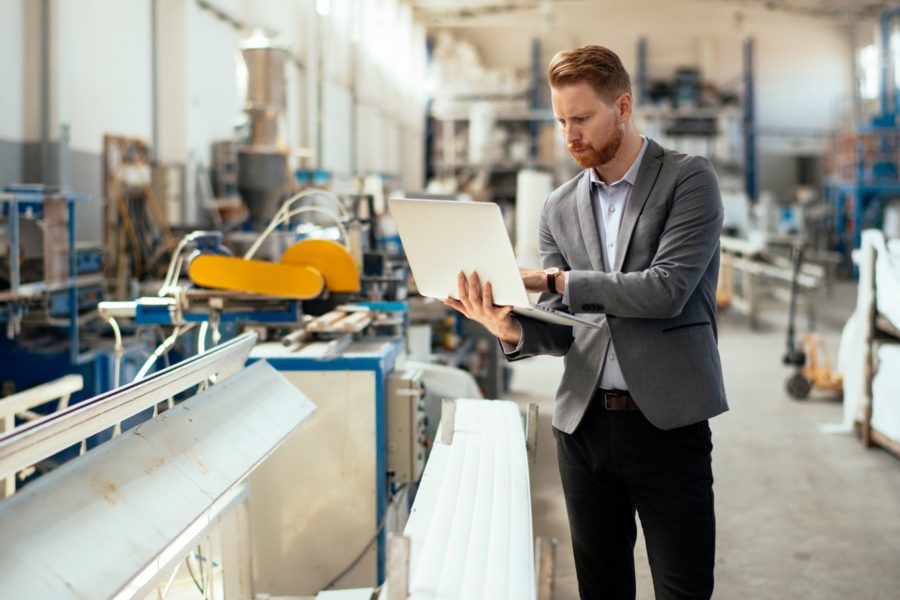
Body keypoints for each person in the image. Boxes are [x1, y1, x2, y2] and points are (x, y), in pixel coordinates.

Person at [444, 45, 728, 600]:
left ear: (622, 107)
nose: (569, 135)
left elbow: (666, 289)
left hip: (669, 421)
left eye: (581, 119)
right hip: (582, 427)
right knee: (601, 588)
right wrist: (512, 328)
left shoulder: (689, 180)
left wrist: (553, 280)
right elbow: (566, 326)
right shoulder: (558, 206)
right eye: (560, 121)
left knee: (684, 587)